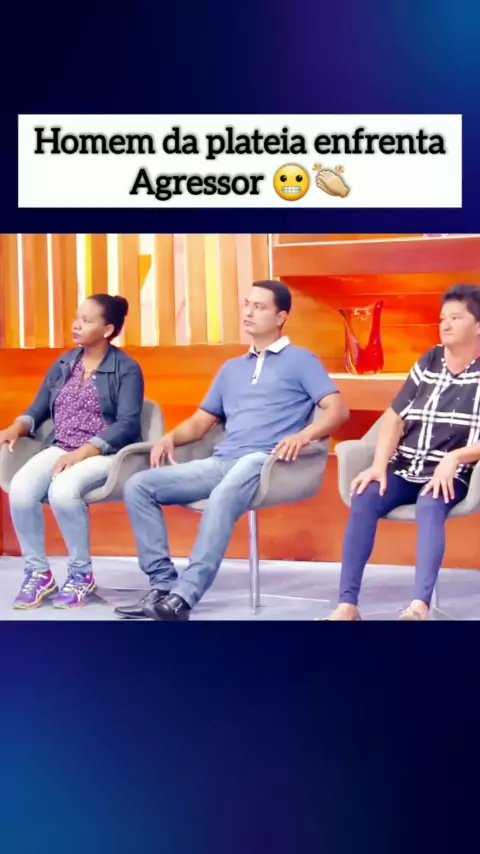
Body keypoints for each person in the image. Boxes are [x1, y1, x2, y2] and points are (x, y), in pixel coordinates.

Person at [117, 280, 349, 621]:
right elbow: (201, 422)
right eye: (247, 305)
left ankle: (184, 597)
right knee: (139, 485)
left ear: (281, 317)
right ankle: (162, 586)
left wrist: (305, 435)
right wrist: (170, 438)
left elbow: (338, 410)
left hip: (267, 462)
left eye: (260, 307)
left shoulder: (301, 361)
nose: (249, 312)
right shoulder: (231, 369)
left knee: (225, 492)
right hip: (223, 461)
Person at [327, 283, 480, 621]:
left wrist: (455, 458)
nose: (446, 324)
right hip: (406, 465)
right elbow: (394, 418)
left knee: (430, 502)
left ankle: (418, 606)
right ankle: (347, 605)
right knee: (366, 494)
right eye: (443, 318)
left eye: (456, 318)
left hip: (452, 473)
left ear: (478, 325)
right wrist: (378, 465)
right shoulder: (430, 360)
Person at [0, 294, 145, 610]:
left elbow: (128, 424)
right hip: (61, 447)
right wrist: (17, 426)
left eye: (87, 320)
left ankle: (81, 576)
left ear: (107, 329)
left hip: (106, 454)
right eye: (77, 317)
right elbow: (38, 408)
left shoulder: (127, 369)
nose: (77, 325)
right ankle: (38, 574)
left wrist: (86, 451)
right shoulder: (65, 363)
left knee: (62, 491)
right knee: (21, 490)